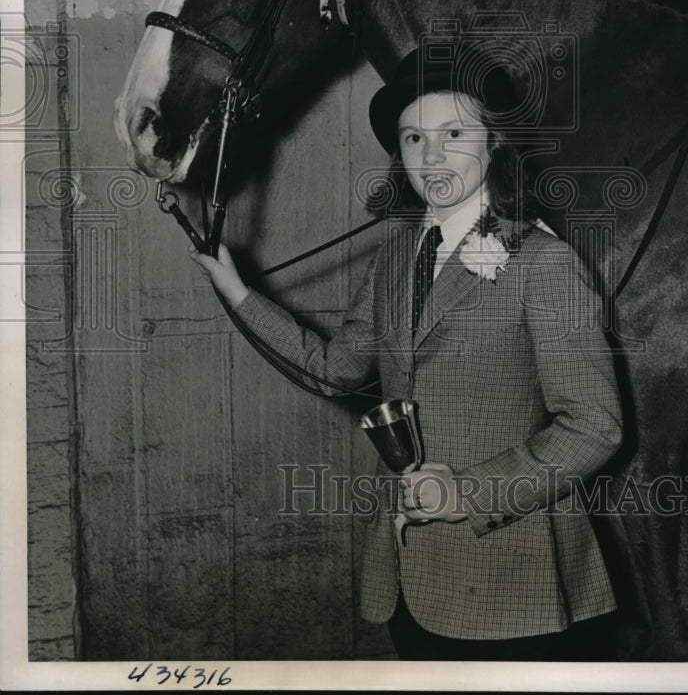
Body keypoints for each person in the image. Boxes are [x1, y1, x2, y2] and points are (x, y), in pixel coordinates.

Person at [191, 44, 623, 660]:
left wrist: (468, 493)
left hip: (512, 583)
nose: (433, 154)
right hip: (407, 572)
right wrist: (237, 291)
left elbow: (594, 426)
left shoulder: (543, 263)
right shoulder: (394, 260)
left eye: (454, 131)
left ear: (494, 140)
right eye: (414, 138)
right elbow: (332, 370)